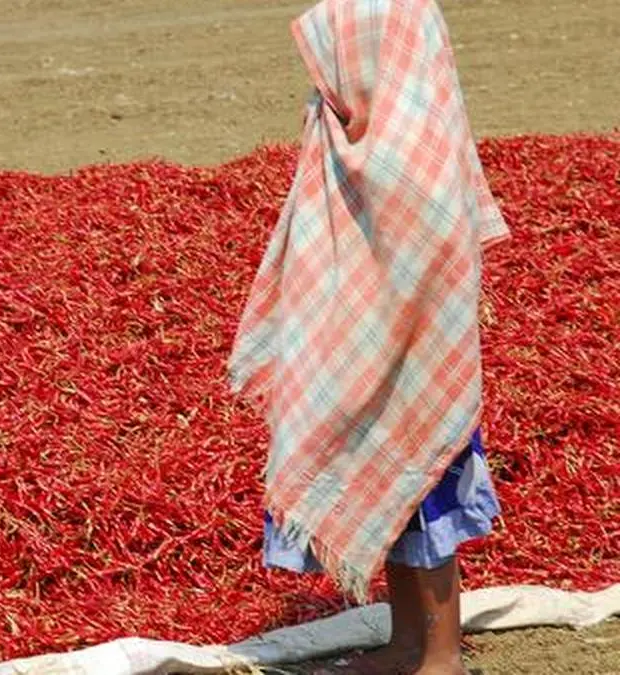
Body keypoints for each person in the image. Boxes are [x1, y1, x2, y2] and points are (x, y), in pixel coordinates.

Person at [227, 0, 510, 673]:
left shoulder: (413, 156)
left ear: (377, 65)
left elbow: (426, 247)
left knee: (424, 492)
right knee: (392, 492)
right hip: (379, 355)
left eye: (336, 73)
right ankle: (408, 640)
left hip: (416, 364)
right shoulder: (362, 141)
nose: (324, 91)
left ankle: (440, 653)